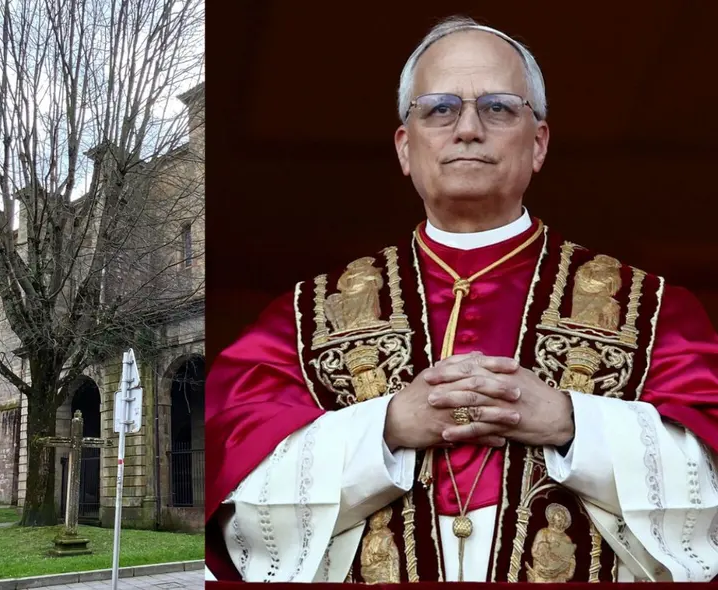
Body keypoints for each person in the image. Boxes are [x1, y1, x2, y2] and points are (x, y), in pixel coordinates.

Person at [204, 15, 718, 584]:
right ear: (405, 146)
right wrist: (387, 428)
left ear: (539, 142)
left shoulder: (652, 310)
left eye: (498, 107)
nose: (468, 128)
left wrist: (575, 424)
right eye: (439, 108)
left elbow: (710, 484)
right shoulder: (303, 318)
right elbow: (236, 498)